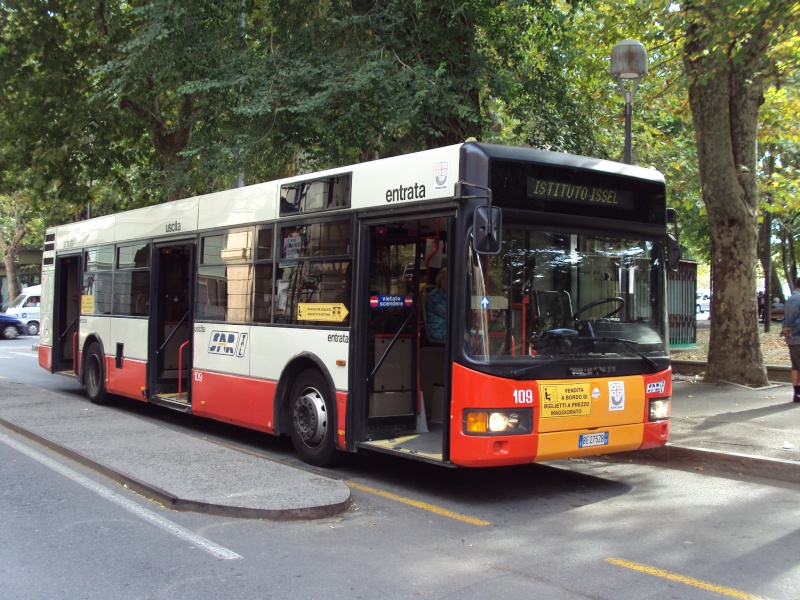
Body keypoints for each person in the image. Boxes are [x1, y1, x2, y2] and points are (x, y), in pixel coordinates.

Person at [781, 277, 800, 403]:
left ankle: (796, 393)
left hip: (791, 338)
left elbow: (785, 318)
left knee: (795, 366)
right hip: (797, 335)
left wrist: (786, 329)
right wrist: (792, 328)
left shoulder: (790, 300)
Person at [426, 268, 447, 341]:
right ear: (439, 280)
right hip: (438, 328)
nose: (447, 281)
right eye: (444, 278)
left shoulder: (450, 294)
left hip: (449, 327)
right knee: (462, 336)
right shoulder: (434, 296)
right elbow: (446, 313)